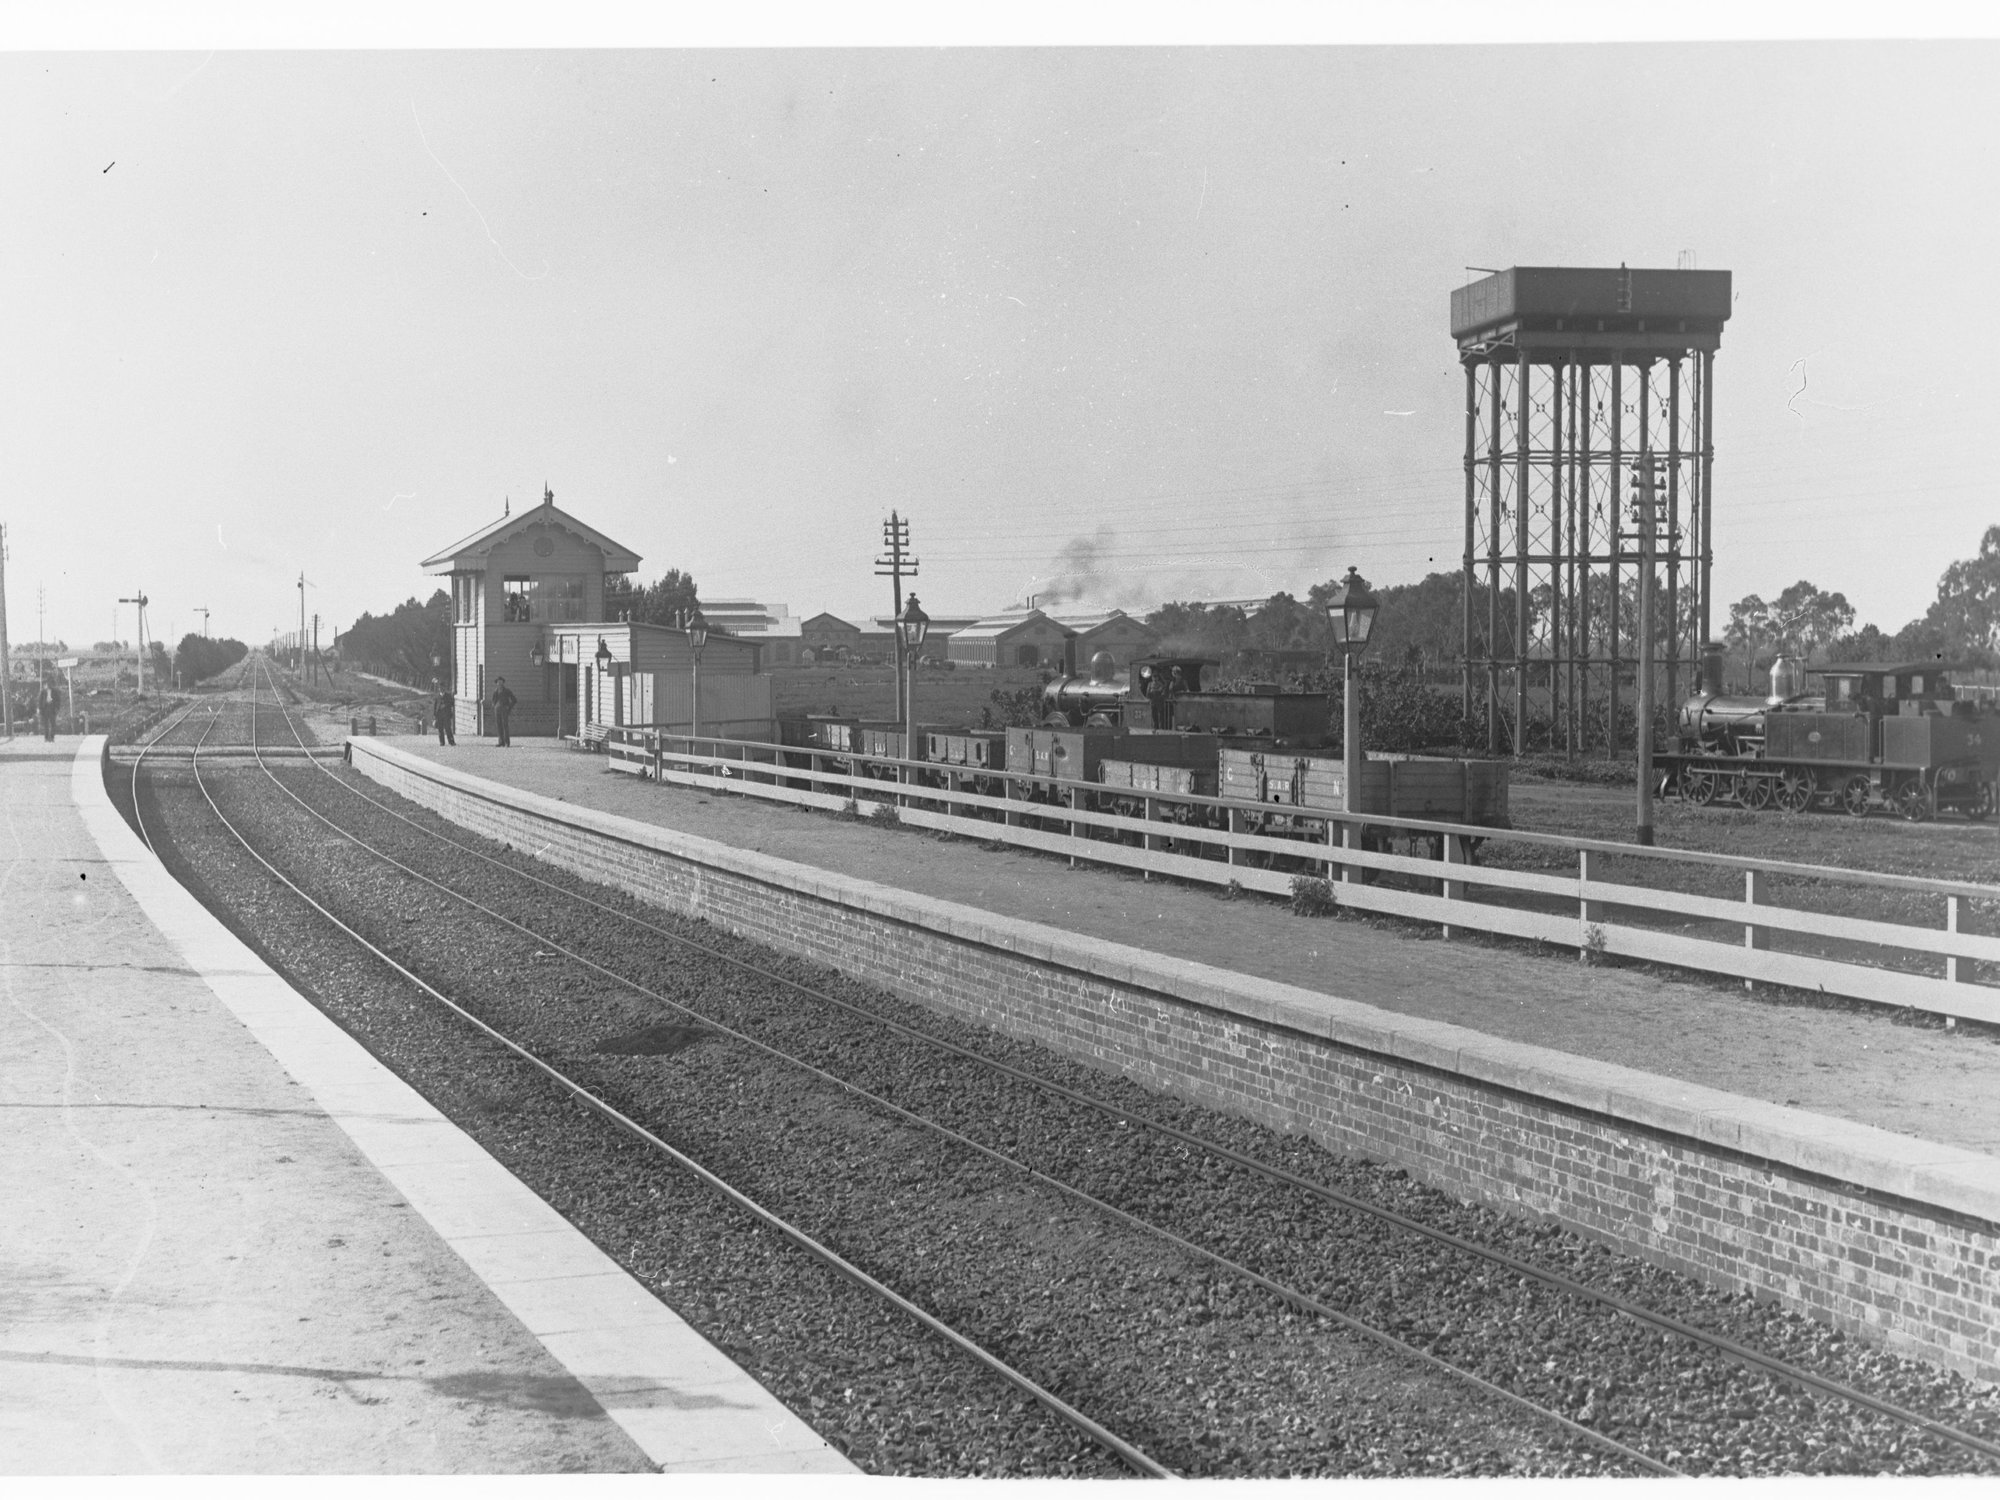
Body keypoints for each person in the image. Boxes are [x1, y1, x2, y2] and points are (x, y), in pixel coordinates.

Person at [491, 677, 517, 747]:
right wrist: (494, 705)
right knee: (499, 726)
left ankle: (507, 742)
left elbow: (514, 700)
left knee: (505, 726)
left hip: (504, 710)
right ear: (496, 684)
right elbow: (493, 700)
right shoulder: (495, 691)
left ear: (503, 683)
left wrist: (508, 707)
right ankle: (501, 742)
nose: (499, 684)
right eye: (498, 682)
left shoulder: (507, 691)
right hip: (497, 710)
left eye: (501, 682)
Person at [36, 674, 59, 742]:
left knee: (53, 724)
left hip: (52, 709)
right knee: (45, 725)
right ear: (45, 684)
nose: (48, 685)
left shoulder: (55, 691)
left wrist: (57, 707)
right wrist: (39, 709)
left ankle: (52, 738)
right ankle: (46, 738)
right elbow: (39, 701)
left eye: (50, 683)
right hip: (45, 709)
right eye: (47, 683)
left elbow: (58, 700)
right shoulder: (43, 691)